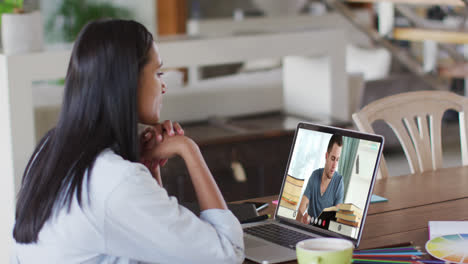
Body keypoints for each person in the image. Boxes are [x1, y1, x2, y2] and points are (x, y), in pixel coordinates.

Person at [12, 19, 244, 264]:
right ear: (127, 81)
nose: (163, 85)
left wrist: (150, 169)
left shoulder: (51, 150)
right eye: (158, 73)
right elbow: (227, 253)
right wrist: (189, 150)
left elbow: (157, 245)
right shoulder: (116, 180)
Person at [296, 135, 344, 223]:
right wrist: (301, 218)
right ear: (326, 156)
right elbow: (302, 207)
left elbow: (336, 217)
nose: (334, 165)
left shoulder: (339, 181)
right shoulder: (314, 176)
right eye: (333, 159)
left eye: (337, 160)